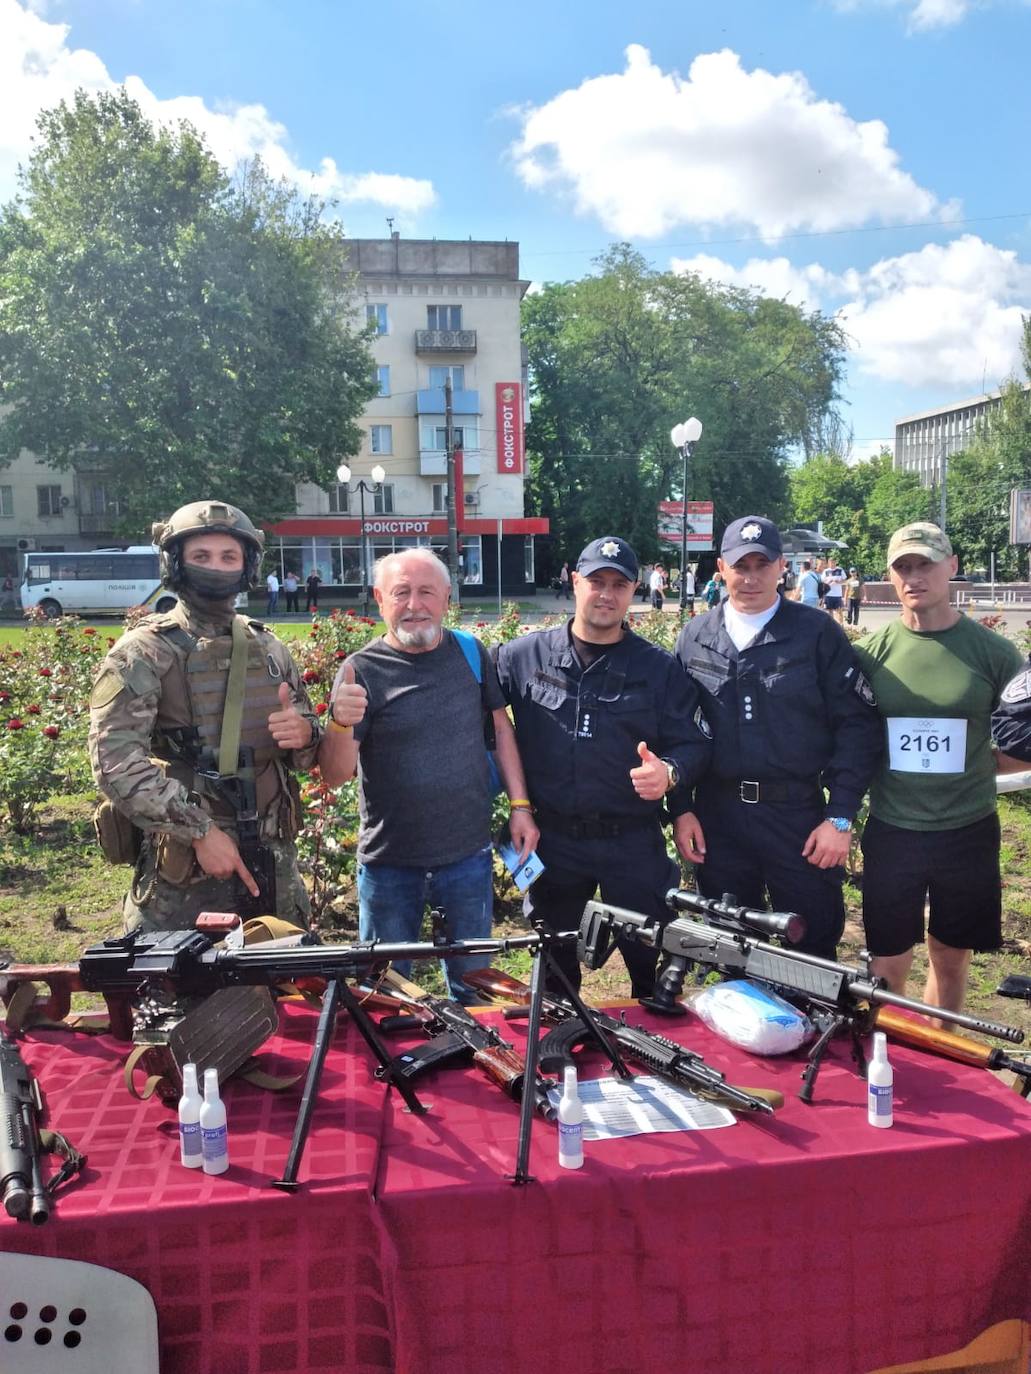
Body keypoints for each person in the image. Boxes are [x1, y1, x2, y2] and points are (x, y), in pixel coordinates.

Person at [88, 501, 321, 932]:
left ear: (246, 565)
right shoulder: (143, 653)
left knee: (284, 989)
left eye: (228, 557)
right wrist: (200, 832)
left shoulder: (269, 648)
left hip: (272, 860)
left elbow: (307, 757)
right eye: (201, 557)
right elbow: (115, 764)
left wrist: (305, 734)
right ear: (175, 564)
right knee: (175, 993)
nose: (216, 567)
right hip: (184, 868)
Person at [495, 535, 712, 996]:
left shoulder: (658, 669)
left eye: (619, 584)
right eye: (596, 581)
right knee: (554, 973)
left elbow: (692, 744)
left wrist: (669, 772)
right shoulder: (521, 657)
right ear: (575, 582)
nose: (607, 594)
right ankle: (559, 1058)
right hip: (553, 842)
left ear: (634, 590)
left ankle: (653, 1057)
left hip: (631, 842)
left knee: (650, 969)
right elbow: (480, 714)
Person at [319, 548, 538, 1002]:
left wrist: (520, 807)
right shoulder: (360, 670)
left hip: (466, 858)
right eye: (401, 593)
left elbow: (500, 728)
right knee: (385, 993)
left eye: (426, 592)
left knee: (473, 990)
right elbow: (336, 775)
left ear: (446, 599)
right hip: (389, 864)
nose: (414, 604)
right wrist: (339, 722)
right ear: (380, 599)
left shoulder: (470, 653)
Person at [674, 516, 882, 960]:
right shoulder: (695, 636)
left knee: (810, 945)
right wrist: (682, 809)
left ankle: (809, 1029)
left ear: (781, 567)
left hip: (798, 819)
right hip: (720, 817)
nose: (750, 577)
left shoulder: (815, 632)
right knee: (728, 948)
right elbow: (674, 730)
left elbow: (858, 725)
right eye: (740, 565)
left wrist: (841, 816)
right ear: (721, 568)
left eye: (761, 565)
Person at [854, 521, 1023, 1015]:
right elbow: (852, 736)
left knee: (950, 954)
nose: (914, 577)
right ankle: (889, 1055)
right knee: (888, 961)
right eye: (903, 566)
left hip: (966, 829)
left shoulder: (993, 652)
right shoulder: (871, 654)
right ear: (891, 575)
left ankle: (942, 1050)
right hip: (894, 828)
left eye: (925, 564)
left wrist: (977, 766)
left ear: (951, 567)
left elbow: (1020, 738)